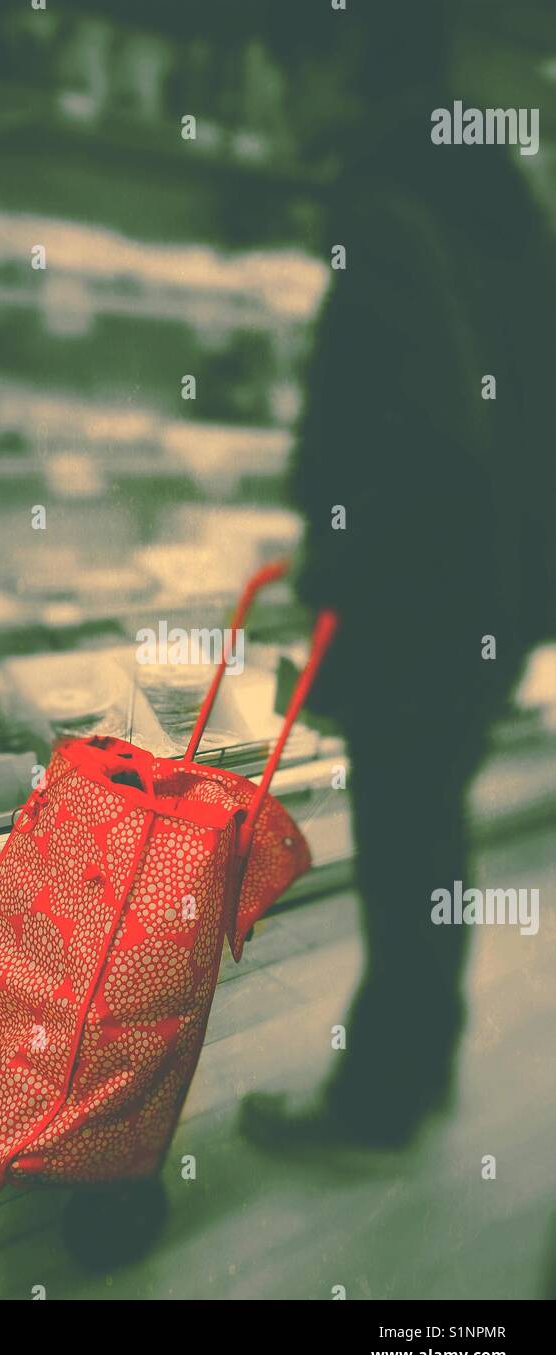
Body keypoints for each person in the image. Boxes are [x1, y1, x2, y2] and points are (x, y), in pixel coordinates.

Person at [242, 0, 555, 1148]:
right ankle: (409, 1072)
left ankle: (378, 1097)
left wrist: (338, 541)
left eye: (288, 72)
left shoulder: (384, 202)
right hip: (493, 585)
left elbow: (433, 429)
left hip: (427, 595)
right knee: (429, 839)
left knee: (406, 841)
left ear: (338, 64)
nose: (277, 100)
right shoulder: (482, 187)